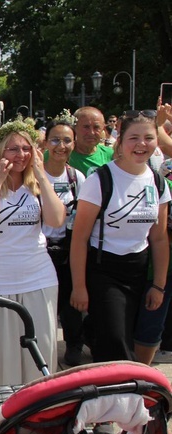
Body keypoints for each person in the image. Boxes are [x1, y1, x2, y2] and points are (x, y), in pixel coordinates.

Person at [70, 110, 170, 363]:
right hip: (105, 270)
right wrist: (79, 287)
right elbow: (80, 238)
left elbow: (158, 239)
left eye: (148, 138)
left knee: (136, 340)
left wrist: (159, 285)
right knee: (115, 341)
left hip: (139, 268)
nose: (141, 144)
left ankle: (129, 396)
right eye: (134, 138)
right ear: (120, 142)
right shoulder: (100, 179)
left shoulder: (158, 183)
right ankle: (116, 394)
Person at [0, 117, 65, 386]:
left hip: (38, 278)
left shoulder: (36, 185)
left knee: (41, 351)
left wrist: (42, 176)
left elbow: (57, 220)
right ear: (0, 152)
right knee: (3, 355)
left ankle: (40, 411)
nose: (20, 155)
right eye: (13, 148)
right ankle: (7, 414)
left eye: (26, 148)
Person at [40, 116, 87, 366]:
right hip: (41, 249)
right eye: (55, 140)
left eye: (67, 140)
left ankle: (73, 344)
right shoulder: (35, 176)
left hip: (68, 248)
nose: (61, 146)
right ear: (46, 143)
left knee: (72, 302)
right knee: (45, 302)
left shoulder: (77, 177)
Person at [68, 107, 114, 176]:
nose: (91, 132)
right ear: (74, 127)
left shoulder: (111, 156)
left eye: (96, 127)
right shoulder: (61, 154)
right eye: (86, 127)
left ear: (103, 129)